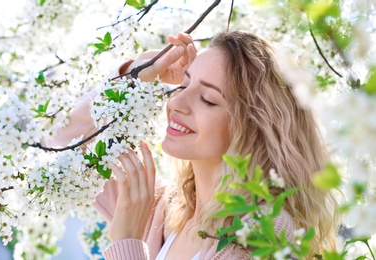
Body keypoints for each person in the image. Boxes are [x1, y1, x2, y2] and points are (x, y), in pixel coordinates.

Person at [49, 31, 338, 259]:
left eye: (208, 99)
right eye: (184, 85)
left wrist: (127, 242)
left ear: (254, 127)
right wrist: (140, 73)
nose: (176, 103)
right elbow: (64, 141)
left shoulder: (263, 232)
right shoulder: (161, 208)